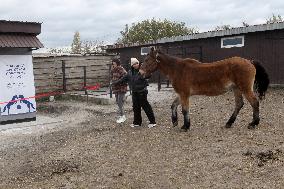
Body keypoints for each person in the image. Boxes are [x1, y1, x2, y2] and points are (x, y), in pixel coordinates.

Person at [112, 57, 156, 128]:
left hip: (142, 91)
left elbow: (148, 75)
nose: (136, 65)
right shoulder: (129, 72)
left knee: (146, 106)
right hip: (135, 92)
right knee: (136, 107)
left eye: (137, 63)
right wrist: (115, 82)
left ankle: (152, 121)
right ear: (132, 65)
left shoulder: (142, 70)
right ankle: (137, 122)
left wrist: (146, 74)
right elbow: (123, 79)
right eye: (134, 64)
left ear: (138, 63)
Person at [110, 58, 127, 123]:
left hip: (121, 88)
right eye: (112, 64)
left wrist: (118, 82)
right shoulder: (113, 70)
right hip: (116, 89)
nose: (113, 65)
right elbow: (112, 78)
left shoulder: (121, 69)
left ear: (117, 63)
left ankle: (123, 116)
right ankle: (120, 115)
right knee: (118, 102)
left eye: (114, 64)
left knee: (120, 103)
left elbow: (125, 78)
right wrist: (112, 82)